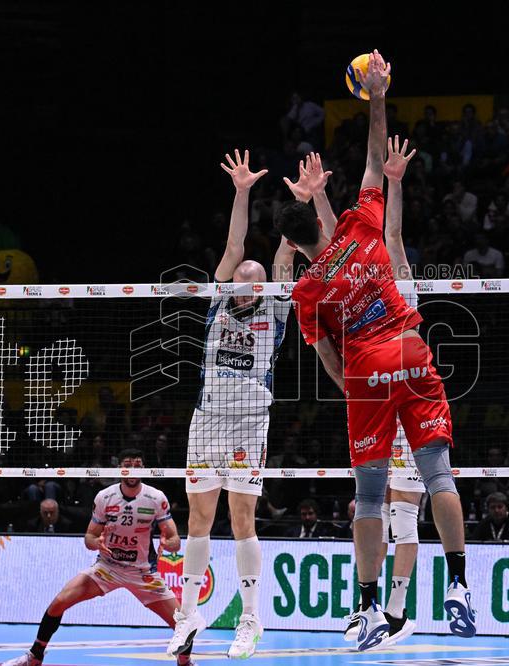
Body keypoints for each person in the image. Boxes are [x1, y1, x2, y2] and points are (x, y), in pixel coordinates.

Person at [274, 50, 474, 652]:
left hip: (365, 369)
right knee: (438, 474)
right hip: (411, 351)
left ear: (291, 239)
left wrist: (351, 388)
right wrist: (379, 95)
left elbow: (328, 359)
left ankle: (365, 609)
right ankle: (460, 585)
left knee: (368, 495)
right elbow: (370, 158)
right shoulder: (362, 227)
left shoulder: (308, 291)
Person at [168, 149, 295, 661]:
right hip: (207, 421)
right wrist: (241, 191)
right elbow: (234, 243)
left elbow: (285, 257)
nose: (245, 282)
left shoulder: (277, 309)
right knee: (199, 519)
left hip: (249, 423)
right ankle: (187, 612)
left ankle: (249, 618)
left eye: (253, 278)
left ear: (263, 286)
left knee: (243, 520)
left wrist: (298, 209)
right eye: (240, 276)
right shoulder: (220, 300)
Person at [342, 136, 423, 648]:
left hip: (411, 405)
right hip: (376, 409)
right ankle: (369, 605)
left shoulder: (404, 286)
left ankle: (395, 611)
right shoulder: (360, 294)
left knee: (404, 513)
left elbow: (392, 232)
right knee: (370, 510)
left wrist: (395, 183)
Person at [2, 450, 192, 666]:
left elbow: (175, 538)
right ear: (119, 467)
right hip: (107, 568)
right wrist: (96, 543)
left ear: (144, 468)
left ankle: (185, 662)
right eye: (128, 464)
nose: (133, 468)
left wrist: (170, 543)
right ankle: (35, 657)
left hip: (143, 573)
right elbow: (89, 537)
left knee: (183, 622)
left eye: (138, 464)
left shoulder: (156, 498)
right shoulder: (105, 497)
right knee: (58, 603)